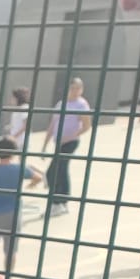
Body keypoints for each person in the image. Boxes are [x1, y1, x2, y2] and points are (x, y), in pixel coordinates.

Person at [0, 138, 42, 279]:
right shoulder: (19, 168)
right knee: (10, 250)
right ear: (13, 153)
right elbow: (38, 177)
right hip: (13, 213)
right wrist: (31, 184)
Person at [47, 77, 93, 214]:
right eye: (73, 88)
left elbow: (87, 125)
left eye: (78, 88)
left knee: (58, 170)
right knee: (56, 171)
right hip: (58, 142)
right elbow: (53, 124)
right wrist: (45, 143)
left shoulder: (81, 104)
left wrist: (70, 136)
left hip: (70, 142)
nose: (75, 91)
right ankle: (60, 202)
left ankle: (59, 202)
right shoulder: (61, 104)